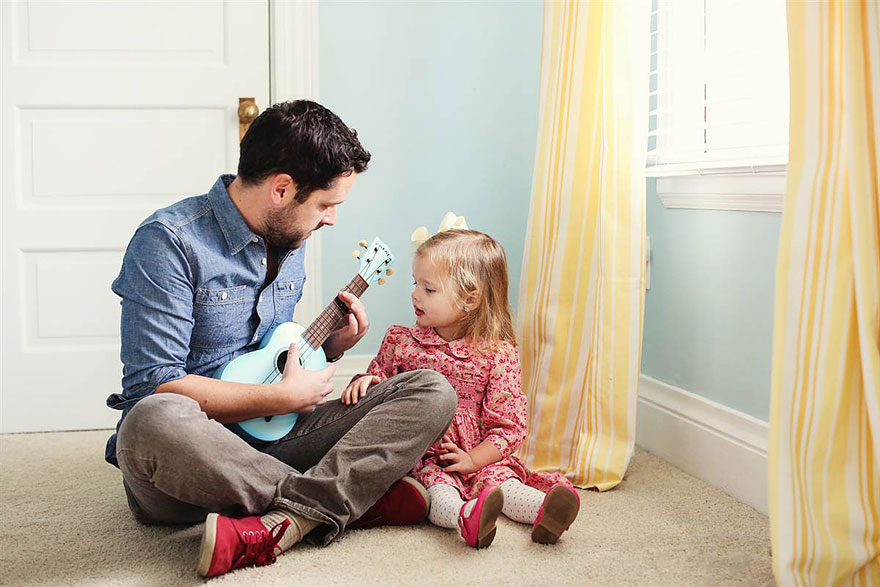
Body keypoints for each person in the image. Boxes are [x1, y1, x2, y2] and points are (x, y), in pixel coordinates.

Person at [105, 100, 457, 578]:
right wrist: (280, 395)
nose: (331, 219)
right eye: (326, 204)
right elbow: (154, 385)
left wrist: (331, 347)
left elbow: (270, 351)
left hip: (276, 437)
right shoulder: (168, 242)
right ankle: (346, 501)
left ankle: (289, 519)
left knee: (431, 389)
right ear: (282, 189)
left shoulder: (291, 237)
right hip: (190, 458)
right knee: (150, 420)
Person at [342, 227, 581, 549]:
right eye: (416, 284)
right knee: (438, 491)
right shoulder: (401, 341)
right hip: (426, 455)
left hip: (482, 454)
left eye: (429, 289)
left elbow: (509, 427)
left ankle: (545, 513)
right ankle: (465, 517)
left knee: (504, 485)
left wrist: (474, 460)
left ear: (470, 298)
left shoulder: (498, 354)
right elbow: (378, 381)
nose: (415, 295)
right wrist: (364, 383)